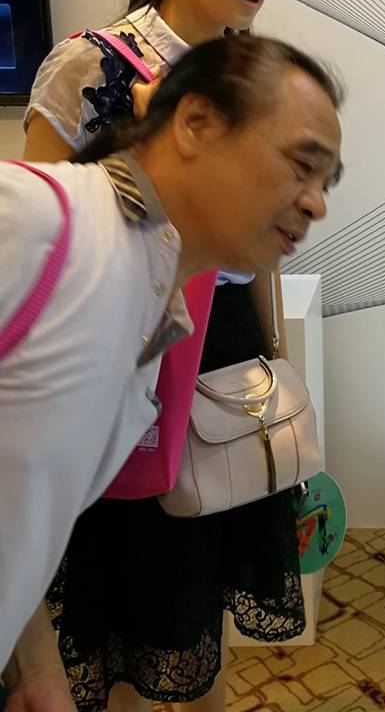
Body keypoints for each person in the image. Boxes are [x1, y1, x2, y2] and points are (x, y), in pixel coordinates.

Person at [6, 0, 318, 712]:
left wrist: (275, 353)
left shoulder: (257, 75)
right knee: (132, 619)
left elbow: (257, 243)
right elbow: (46, 244)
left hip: (225, 351)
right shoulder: (92, 67)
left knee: (205, 595)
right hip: (127, 361)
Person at [0, 33, 343, 674]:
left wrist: (36, 665)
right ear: (196, 123)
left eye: (327, 180)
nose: (317, 203)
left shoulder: (158, 311)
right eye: (302, 165)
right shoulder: (33, 220)